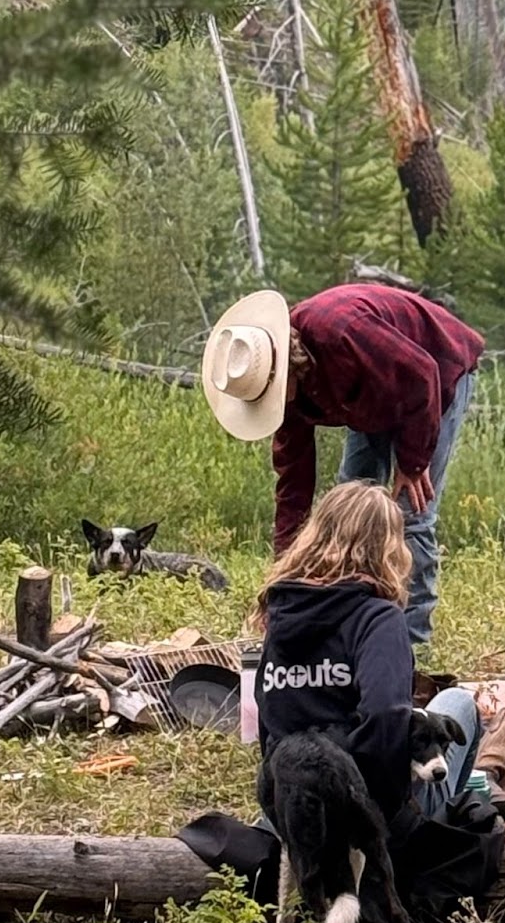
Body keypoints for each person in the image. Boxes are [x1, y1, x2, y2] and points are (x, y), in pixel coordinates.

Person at [202, 284, 485, 643]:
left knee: (409, 514)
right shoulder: (285, 399)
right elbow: (294, 490)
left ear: (286, 370)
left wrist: (413, 462)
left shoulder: (342, 333)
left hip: (435, 379)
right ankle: (352, 631)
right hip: (373, 400)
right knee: (345, 513)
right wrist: (284, 580)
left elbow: (422, 374)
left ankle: (413, 645)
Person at [250, 480, 480, 830]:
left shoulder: (281, 609)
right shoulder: (377, 617)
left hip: (292, 806)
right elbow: (385, 715)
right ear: (390, 548)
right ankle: (419, 843)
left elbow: (267, 724)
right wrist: (376, 815)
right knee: (458, 702)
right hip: (361, 814)